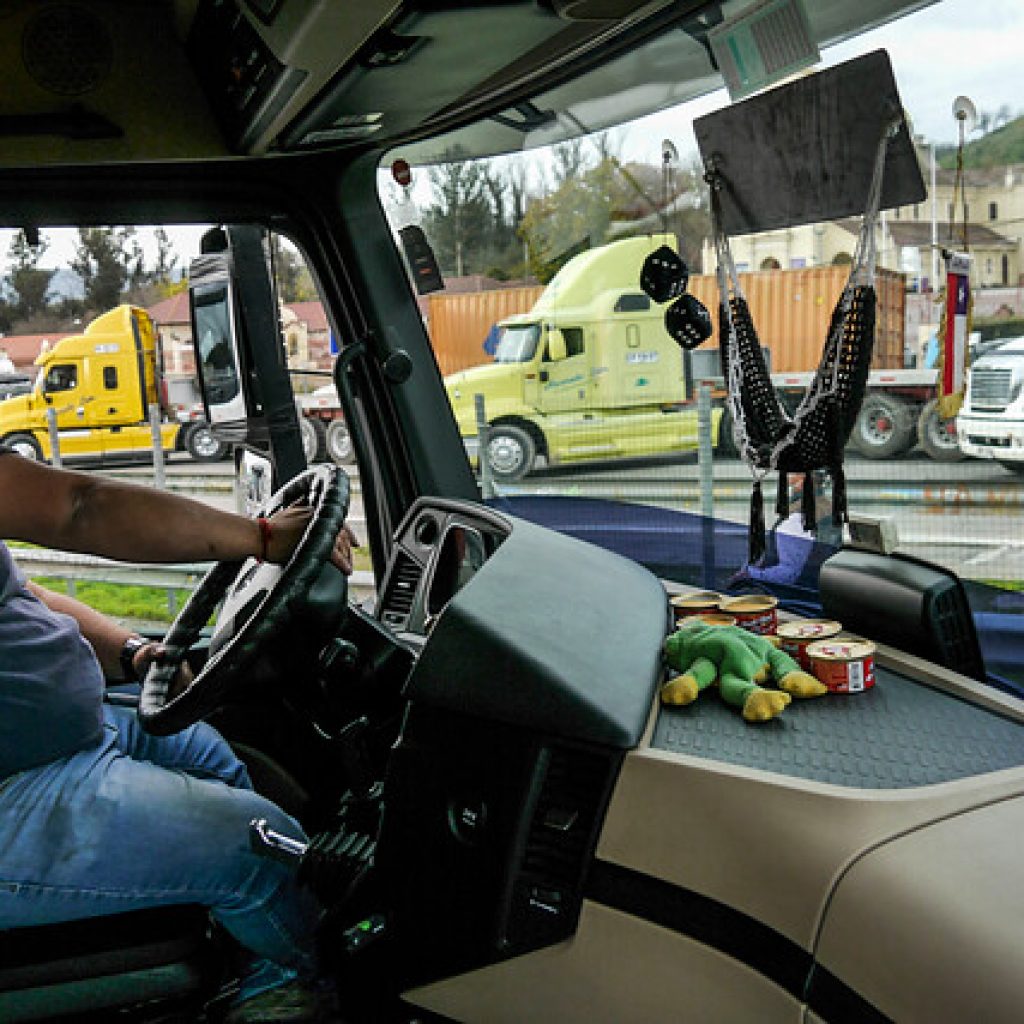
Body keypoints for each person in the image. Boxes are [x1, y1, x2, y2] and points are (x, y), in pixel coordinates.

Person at [0, 449, 357, 1022]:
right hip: (15, 787)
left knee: (216, 761)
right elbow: (78, 507)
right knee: (262, 848)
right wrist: (261, 536)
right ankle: (297, 990)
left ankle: (239, 953)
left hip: (72, 736)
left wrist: (133, 652)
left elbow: (25, 596)